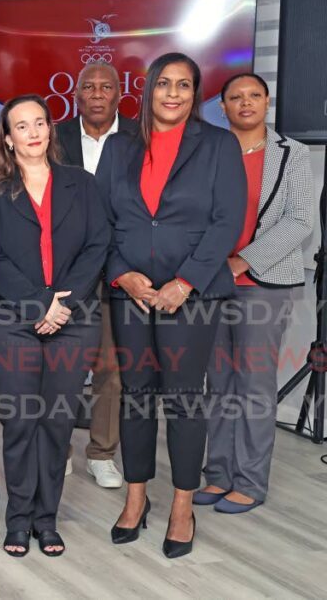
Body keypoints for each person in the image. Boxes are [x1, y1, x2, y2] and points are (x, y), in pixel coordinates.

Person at [96, 52, 246, 559]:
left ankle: (182, 505)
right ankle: (136, 498)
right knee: (137, 395)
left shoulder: (219, 145)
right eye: (165, 83)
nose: (174, 93)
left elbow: (227, 222)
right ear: (148, 90)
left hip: (192, 295)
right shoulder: (119, 147)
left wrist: (186, 282)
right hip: (131, 293)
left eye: (185, 85)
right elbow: (101, 222)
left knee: (183, 398)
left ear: (196, 92)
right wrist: (121, 273)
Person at [0, 95, 109, 558]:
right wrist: (39, 305)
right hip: (12, 320)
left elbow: (98, 246)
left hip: (74, 322)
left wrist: (64, 304)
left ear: (51, 131)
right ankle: (18, 520)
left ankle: (46, 519)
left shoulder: (82, 184)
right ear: (8, 138)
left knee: (56, 425)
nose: (33, 132)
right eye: (22, 126)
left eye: (40, 123)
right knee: (19, 423)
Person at [196, 72, 312, 514]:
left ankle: (249, 479)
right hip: (210, 283)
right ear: (221, 107)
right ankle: (219, 474)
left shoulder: (292, 154)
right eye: (235, 97)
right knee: (219, 385)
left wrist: (241, 261)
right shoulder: (208, 152)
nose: (246, 103)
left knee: (254, 386)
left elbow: (300, 220)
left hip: (263, 283)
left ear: (267, 102)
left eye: (254, 96)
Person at [55, 60, 140, 489]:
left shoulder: (139, 138)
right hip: (65, 274)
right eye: (88, 86)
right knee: (64, 368)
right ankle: (61, 449)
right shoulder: (55, 136)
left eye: (106, 86)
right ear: (77, 93)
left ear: (118, 93)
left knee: (111, 367)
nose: (97, 93)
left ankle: (102, 452)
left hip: (119, 272)